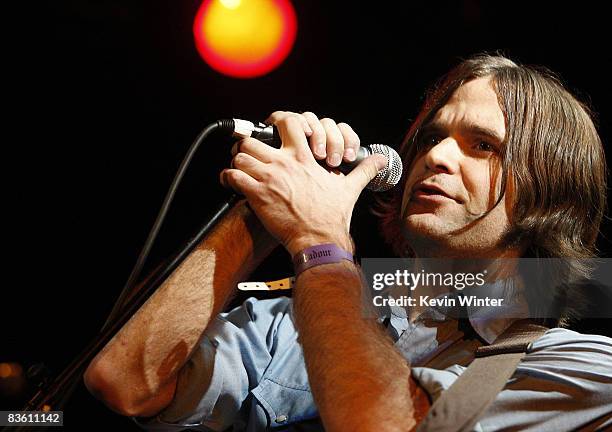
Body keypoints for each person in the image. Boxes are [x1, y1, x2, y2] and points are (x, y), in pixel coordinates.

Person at [84, 54, 612, 431]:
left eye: (482, 145)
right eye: (432, 137)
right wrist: (268, 211)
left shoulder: (583, 370)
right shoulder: (308, 318)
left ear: (550, 188)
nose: (438, 157)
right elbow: (126, 382)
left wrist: (319, 240)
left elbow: (380, 422)